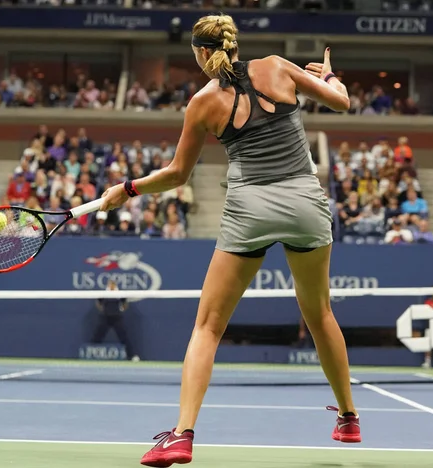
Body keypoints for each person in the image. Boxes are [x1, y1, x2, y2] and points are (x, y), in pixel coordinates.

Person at [100, 14, 357, 467]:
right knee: (319, 314)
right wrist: (329, 73)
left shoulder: (202, 102)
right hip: (304, 203)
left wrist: (127, 189)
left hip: (250, 209)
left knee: (208, 327)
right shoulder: (278, 66)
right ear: (235, 44)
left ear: (202, 53)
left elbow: (178, 175)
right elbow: (342, 103)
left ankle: (181, 436)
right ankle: (349, 418)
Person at [92, 279, 139, 362]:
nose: (111, 285)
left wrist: (121, 310)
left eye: (113, 284)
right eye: (110, 284)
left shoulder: (120, 294)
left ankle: (132, 356)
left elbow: (125, 303)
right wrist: (103, 310)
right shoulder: (104, 294)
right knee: (97, 336)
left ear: (115, 285)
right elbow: (98, 303)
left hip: (117, 318)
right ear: (108, 285)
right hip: (105, 318)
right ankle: (90, 354)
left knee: (124, 337)